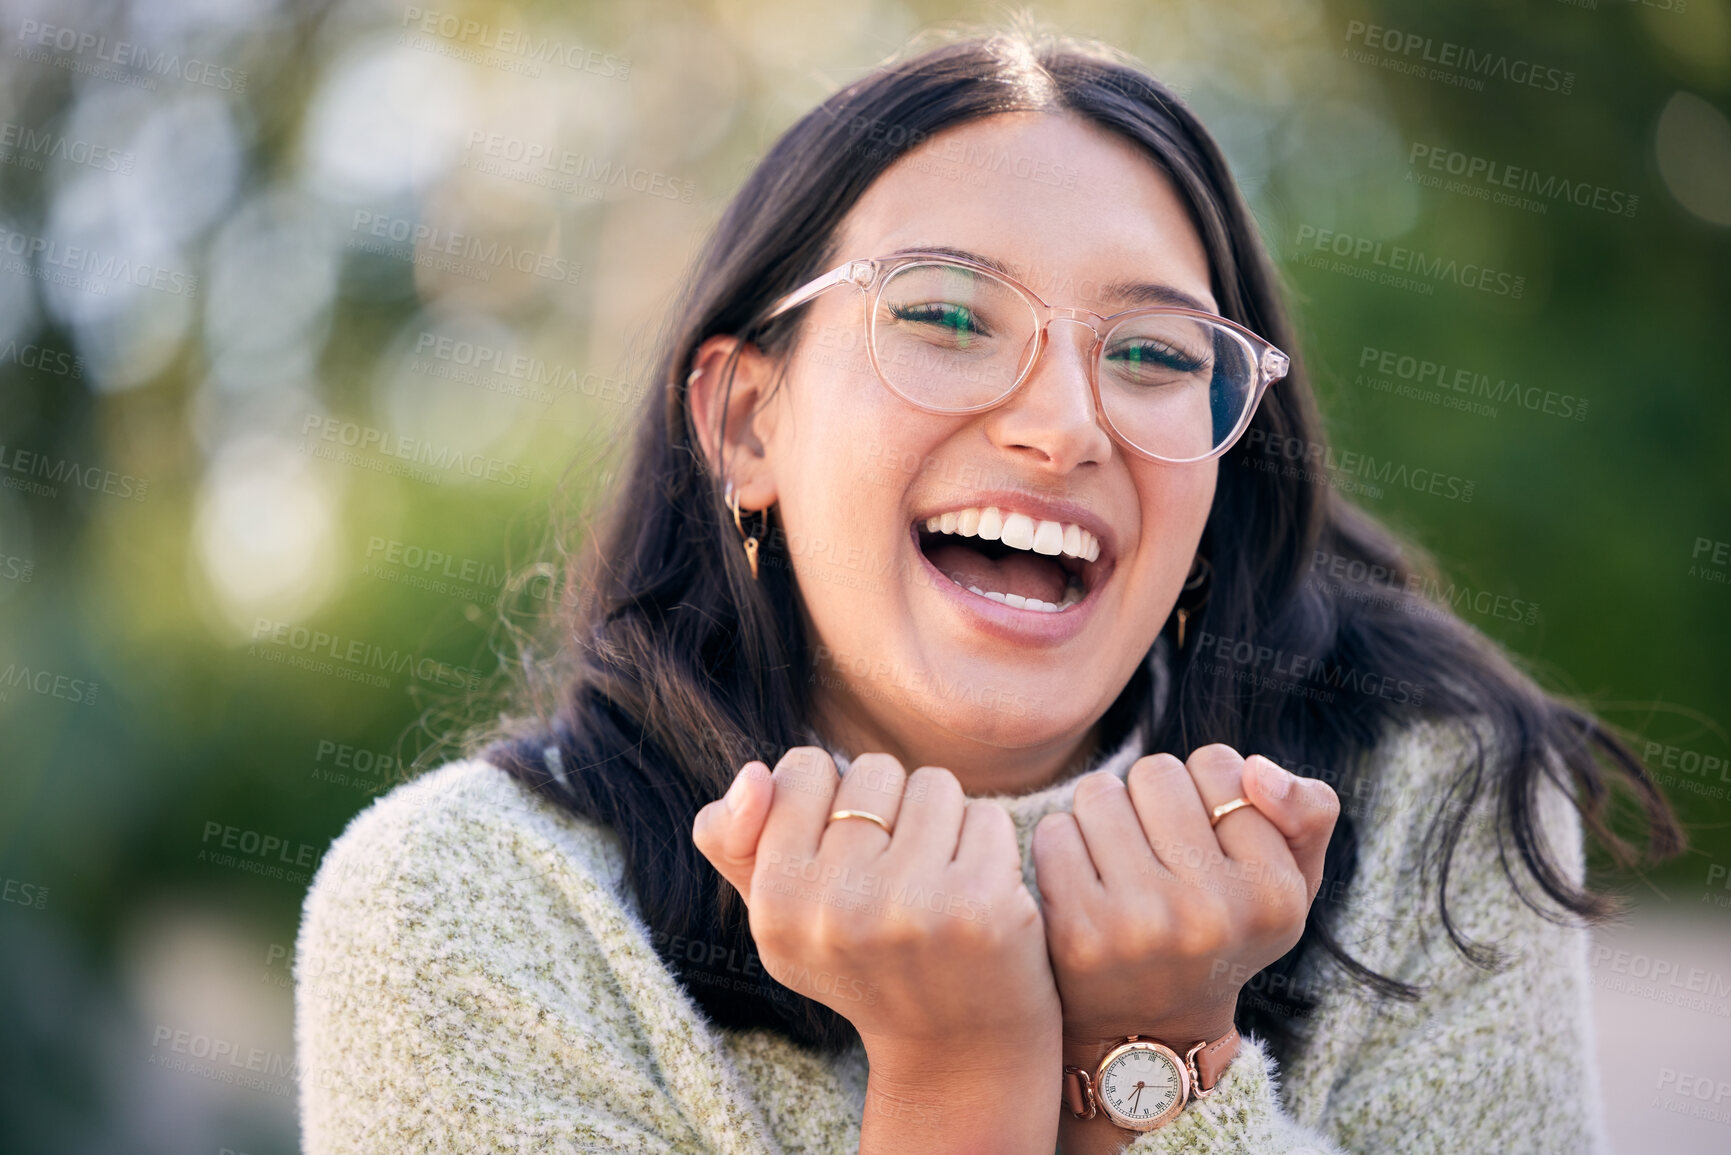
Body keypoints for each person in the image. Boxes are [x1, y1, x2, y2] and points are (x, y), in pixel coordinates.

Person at [294, 27, 1679, 1154]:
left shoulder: (1429, 803)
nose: (1068, 424)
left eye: (1152, 355)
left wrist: (1159, 1066)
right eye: (948, 317)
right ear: (744, 424)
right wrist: (966, 1068)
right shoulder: (470, 907)